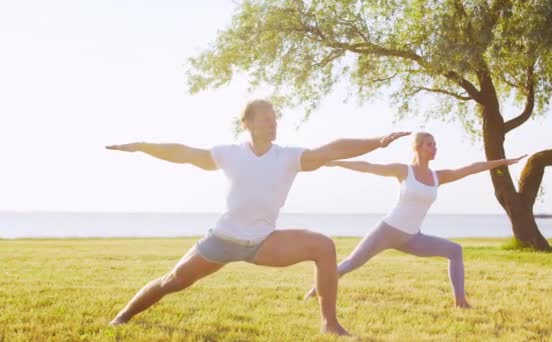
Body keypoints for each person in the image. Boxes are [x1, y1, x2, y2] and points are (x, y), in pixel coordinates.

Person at [105, 99, 409, 335]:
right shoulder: (229, 153)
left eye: (275, 118)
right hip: (222, 239)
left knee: (323, 246)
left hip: (263, 242)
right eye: (266, 118)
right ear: (247, 122)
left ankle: (330, 323)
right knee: (173, 281)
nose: (273, 123)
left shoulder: (289, 157)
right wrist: (144, 146)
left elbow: (331, 149)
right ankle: (122, 317)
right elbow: (184, 153)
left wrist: (377, 141)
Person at [304, 131, 525, 308]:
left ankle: (460, 302)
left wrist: (504, 161)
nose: (434, 148)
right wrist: (336, 162)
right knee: (350, 264)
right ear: (418, 147)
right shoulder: (404, 171)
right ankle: (315, 291)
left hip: (411, 237)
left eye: (435, 144)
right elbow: (369, 168)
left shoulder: (439, 176)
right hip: (387, 230)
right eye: (430, 144)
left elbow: (470, 169)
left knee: (455, 251)